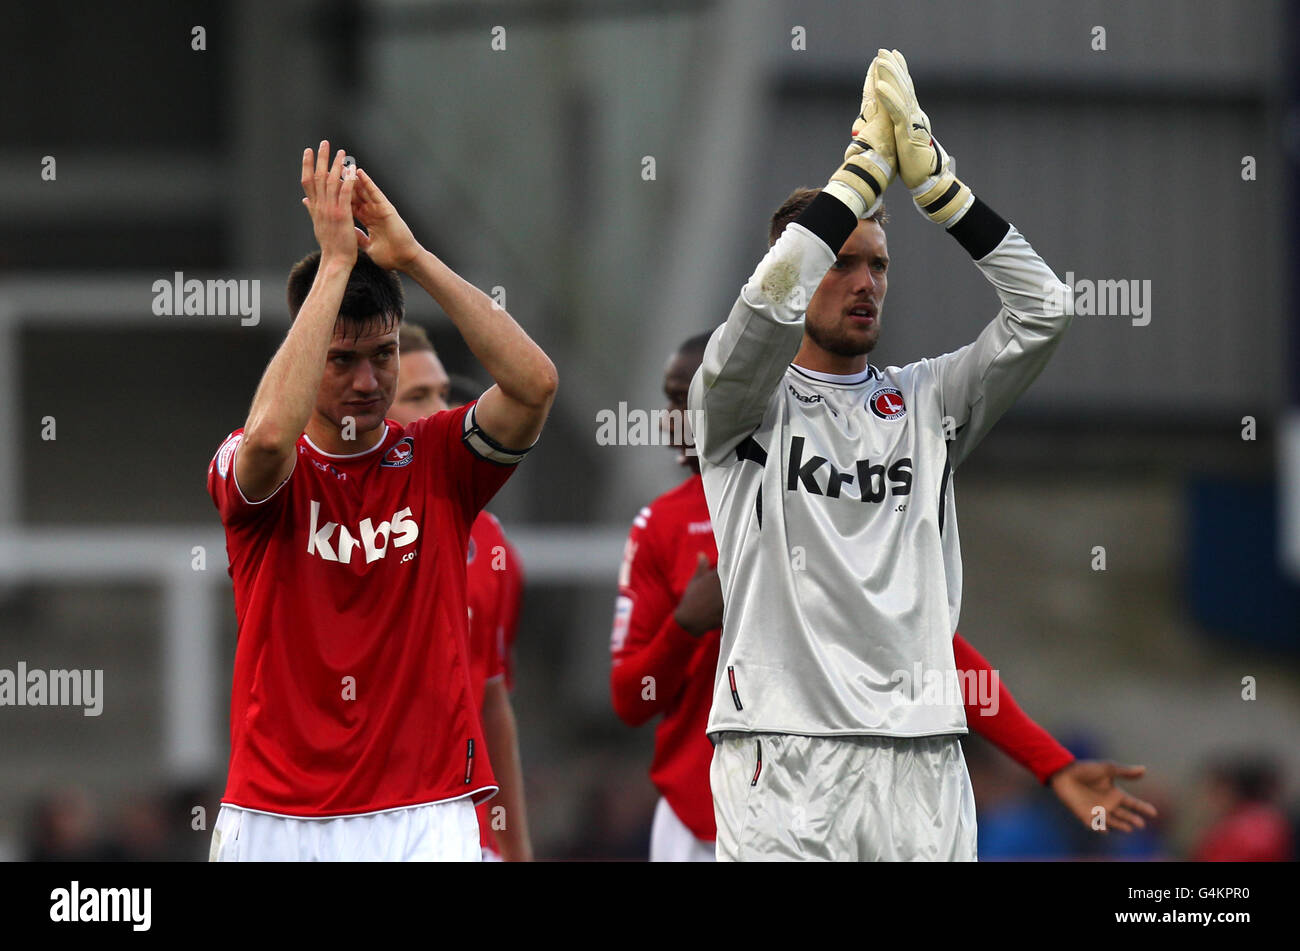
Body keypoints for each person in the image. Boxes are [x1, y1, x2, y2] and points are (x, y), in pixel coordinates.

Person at [690, 49, 1158, 861]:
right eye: (842, 262)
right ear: (801, 271)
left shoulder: (929, 402)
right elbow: (764, 308)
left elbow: (1044, 310)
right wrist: (860, 178)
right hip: (783, 751)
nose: (866, 281)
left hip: (926, 755)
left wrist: (941, 190)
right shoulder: (738, 406)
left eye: (878, 264)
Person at [614, 333, 1157, 861]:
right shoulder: (659, 527)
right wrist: (686, 625)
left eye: (687, 399)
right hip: (698, 820)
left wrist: (1052, 764)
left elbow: (930, 656)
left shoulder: (821, 502)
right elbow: (631, 701)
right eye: (667, 400)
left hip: (820, 812)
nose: (673, 418)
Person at [206, 141, 556, 861]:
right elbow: (271, 438)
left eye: (384, 354)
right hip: (277, 812)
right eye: (342, 359)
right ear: (308, 351)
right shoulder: (257, 462)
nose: (369, 381)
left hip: (426, 810)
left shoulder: (437, 459)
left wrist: (416, 259)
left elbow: (534, 385)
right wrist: (333, 266)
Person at [389, 321, 533, 861]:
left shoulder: (492, 545)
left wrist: (516, 850)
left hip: (460, 832)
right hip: (350, 821)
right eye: (418, 396)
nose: (441, 410)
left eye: (444, 394)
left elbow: (491, 701)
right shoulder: (334, 536)